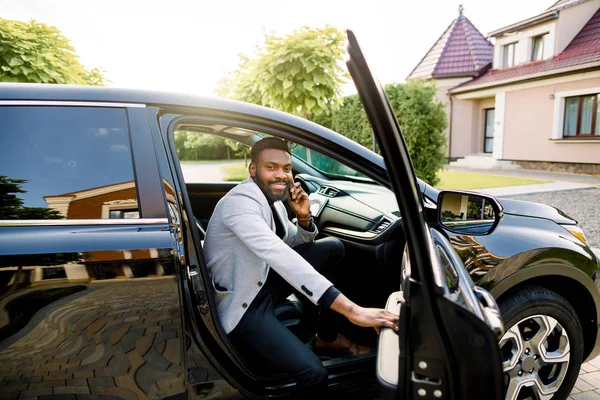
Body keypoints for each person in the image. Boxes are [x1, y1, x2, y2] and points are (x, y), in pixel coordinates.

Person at [203, 137, 398, 395]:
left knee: (332, 249)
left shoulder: (272, 201)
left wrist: (304, 217)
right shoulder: (239, 204)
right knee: (314, 375)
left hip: (262, 281)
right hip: (243, 304)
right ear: (253, 169)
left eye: (286, 168)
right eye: (271, 167)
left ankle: (326, 339)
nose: (281, 175)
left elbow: (291, 242)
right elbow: (280, 255)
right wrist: (352, 310)